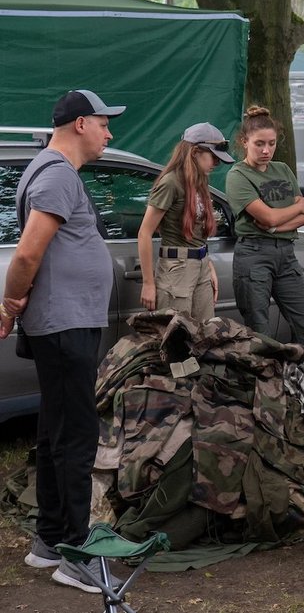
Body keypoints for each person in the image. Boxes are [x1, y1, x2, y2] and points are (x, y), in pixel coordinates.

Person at [0, 89, 124, 593]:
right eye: (103, 123)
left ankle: (49, 539)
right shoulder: (55, 175)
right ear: (78, 125)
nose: (109, 132)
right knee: (77, 437)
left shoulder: (50, 171)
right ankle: (76, 553)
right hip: (65, 325)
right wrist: (10, 304)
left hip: (66, 322)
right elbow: (27, 254)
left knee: (54, 430)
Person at [225, 106, 304, 358]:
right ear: (244, 142)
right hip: (254, 256)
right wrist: (292, 209)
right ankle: (265, 392)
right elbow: (268, 215)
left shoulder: (283, 169)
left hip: (286, 254)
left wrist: (276, 225)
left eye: (271, 143)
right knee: (259, 334)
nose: (266, 150)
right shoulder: (238, 175)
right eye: (259, 144)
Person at [137, 122, 234, 320]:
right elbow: (144, 232)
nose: (216, 163)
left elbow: (197, 232)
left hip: (200, 266)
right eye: (213, 157)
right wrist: (148, 283)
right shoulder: (171, 182)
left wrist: (207, 265)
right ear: (195, 152)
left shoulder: (199, 181)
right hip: (176, 270)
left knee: (206, 335)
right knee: (177, 338)